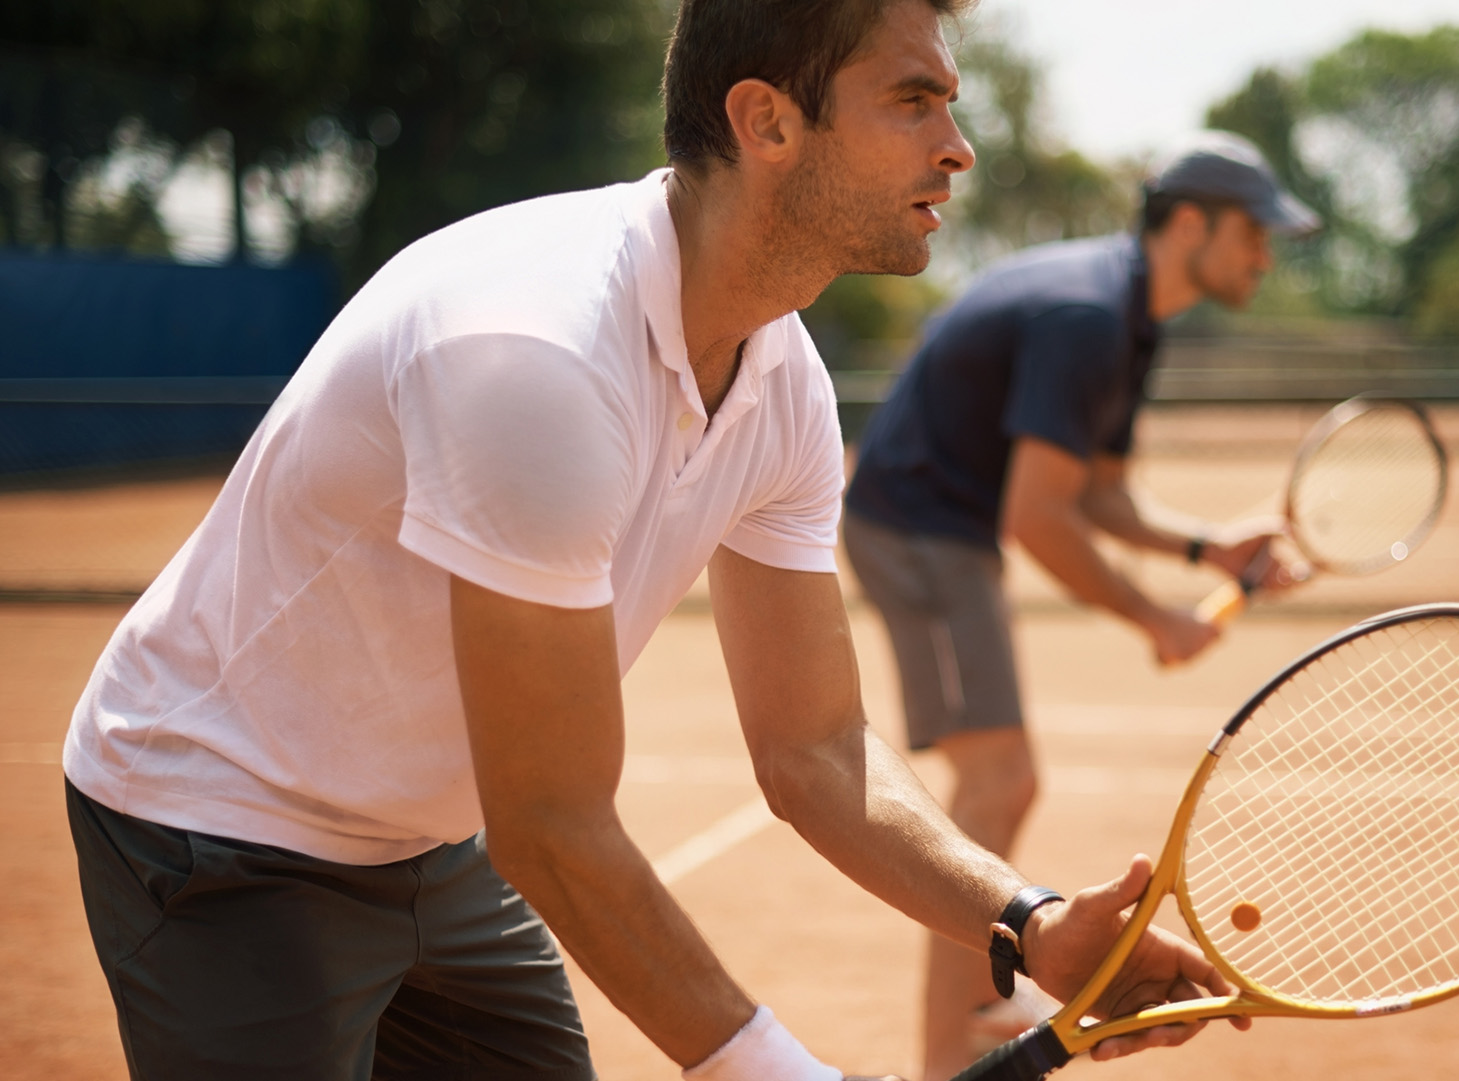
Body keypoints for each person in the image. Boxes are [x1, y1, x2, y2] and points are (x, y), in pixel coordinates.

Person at [58, 1, 1242, 1078]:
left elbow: (814, 747)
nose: (958, 145)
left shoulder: (783, 382)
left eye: (951, 104)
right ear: (767, 121)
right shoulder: (537, 355)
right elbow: (555, 825)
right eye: (913, 99)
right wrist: (782, 1071)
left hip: (434, 837)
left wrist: (1027, 921)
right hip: (219, 822)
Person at [841, 129, 1323, 1079]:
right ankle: (950, 1057)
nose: (1267, 254)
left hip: (947, 526)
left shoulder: (1128, 314)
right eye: (1255, 232)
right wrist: (1158, 618)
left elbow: (1097, 493)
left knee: (999, 788)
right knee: (996, 788)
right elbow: (1038, 516)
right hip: (916, 524)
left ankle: (973, 1013)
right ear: (1189, 223)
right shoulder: (1090, 317)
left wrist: (1205, 548)